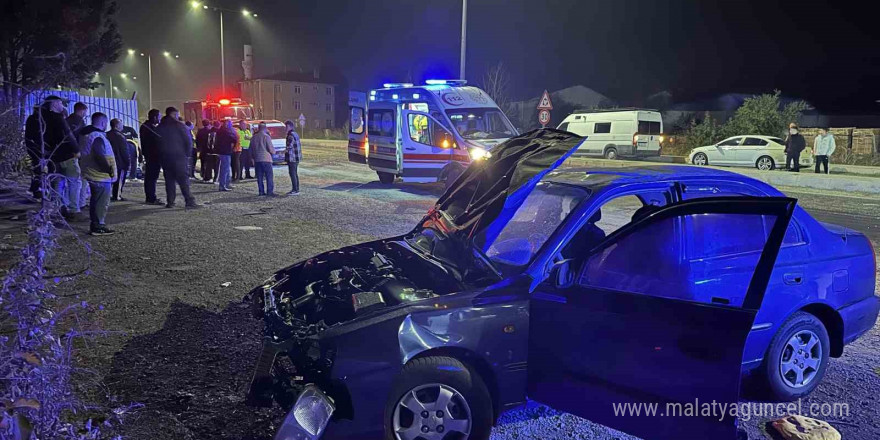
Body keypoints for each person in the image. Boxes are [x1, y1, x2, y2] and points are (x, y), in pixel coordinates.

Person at [24, 96, 79, 211]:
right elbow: (68, 136)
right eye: (60, 103)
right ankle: (73, 208)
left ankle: (54, 207)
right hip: (65, 156)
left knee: (55, 183)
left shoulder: (34, 119)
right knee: (73, 181)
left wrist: (36, 156)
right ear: (54, 104)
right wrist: (77, 150)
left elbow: (29, 140)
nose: (62, 106)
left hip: (48, 157)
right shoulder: (57, 118)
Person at [78, 112, 117, 235]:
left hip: (91, 172)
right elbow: (99, 155)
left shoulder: (86, 134)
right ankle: (98, 226)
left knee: (95, 200)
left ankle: (95, 224)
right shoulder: (97, 136)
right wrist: (108, 169)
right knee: (101, 202)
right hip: (100, 175)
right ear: (103, 122)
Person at [158, 107, 198, 208]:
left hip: (165, 158)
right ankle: (189, 201)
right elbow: (188, 141)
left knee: (169, 181)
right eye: (176, 114)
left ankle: (170, 202)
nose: (178, 116)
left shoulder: (160, 127)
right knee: (183, 180)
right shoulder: (180, 126)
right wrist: (187, 155)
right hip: (179, 157)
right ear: (172, 114)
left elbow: (156, 143)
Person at [67, 102, 90, 212]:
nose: (86, 113)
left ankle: (68, 204)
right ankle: (79, 204)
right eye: (85, 111)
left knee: (67, 182)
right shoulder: (80, 122)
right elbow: (84, 138)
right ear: (82, 110)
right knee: (80, 180)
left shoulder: (67, 120)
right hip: (78, 154)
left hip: (66, 154)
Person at [139, 109, 164, 205]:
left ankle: (150, 197)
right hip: (152, 156)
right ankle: (151, 198)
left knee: (151, 177)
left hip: (151, 155)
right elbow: (153, 142)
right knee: (151, 177)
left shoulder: (147, 127)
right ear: (154, 117)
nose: (160, 119)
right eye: (159, 117)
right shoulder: (148, 128)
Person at [107, 119, 131, 201]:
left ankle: (108, 195)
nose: (122, 126)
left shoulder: (107, 134)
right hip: (119, 162)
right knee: (119, 180)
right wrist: (128, 163)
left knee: (109, 179)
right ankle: (117, 196)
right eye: (121, 124)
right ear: (117, 125)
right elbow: (124, 151)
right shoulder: (120, 136)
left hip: (109, 161)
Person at [251, 122, 276, 196]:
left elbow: (251, 149)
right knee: (269, 176)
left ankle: (261, 191)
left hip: (257, 159)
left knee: (259, 177)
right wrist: (274, 152)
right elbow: (271, 149)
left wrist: (252, 158)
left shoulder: (253, 137)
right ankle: (269, 192)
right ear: (265, 128)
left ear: (258, 128)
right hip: (266, 159)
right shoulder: (266, 137)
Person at [215, 119, 238, 191]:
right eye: (230, 124)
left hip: (223, 151)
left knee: (226, 168)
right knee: (225, 169)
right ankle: (222, 185)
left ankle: (227, 184)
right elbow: (233, 138)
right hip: (225, 151)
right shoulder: (225, 131)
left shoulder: (220, 130)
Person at [284, 119, 302, 195]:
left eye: (286, 126)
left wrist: (283, 151)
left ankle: (295, 190)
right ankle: (296, 189)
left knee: (292, 173)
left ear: (289, 126)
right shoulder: (295, 134)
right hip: (297, 157)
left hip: (292, 158)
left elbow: (289, 146)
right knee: (295, 173)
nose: (285, 128)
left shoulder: (290, 135)